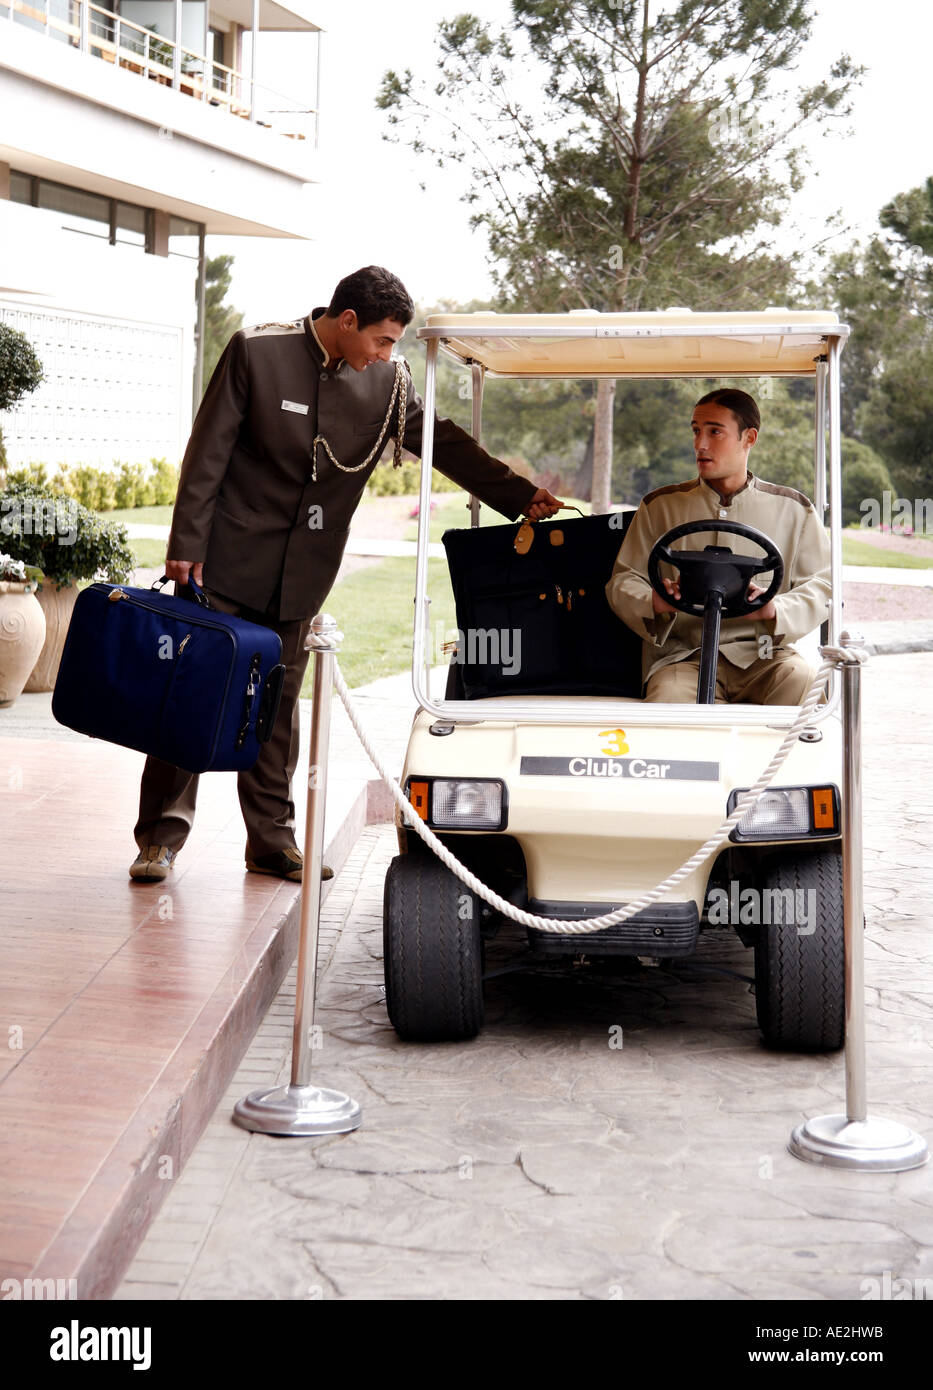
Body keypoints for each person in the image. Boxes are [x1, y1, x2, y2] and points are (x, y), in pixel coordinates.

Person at [131, 266, 562, 883]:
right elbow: (209, 449)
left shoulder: (387, 381)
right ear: (348, 320)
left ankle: (271, 842)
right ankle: (160, 839)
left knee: (276, 708)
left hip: (303, 570)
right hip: (222, 560)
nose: (388, 354)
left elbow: (440, 440)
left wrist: (519, 495)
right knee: (192, 696)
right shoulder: (258, 350)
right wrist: (185, 544)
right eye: (383, 340)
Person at [605, 388, 830, 704]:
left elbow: (822, 586)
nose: (700, 444)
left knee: (806, 683)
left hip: (765, 656)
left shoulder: (794, 509)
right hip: (684, 658)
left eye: (715, 432)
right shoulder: (659, 506)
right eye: (696, 431)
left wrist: (774, 609)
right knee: (669, 700)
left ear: (749, 438)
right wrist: (653, 602)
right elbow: (623, 580)